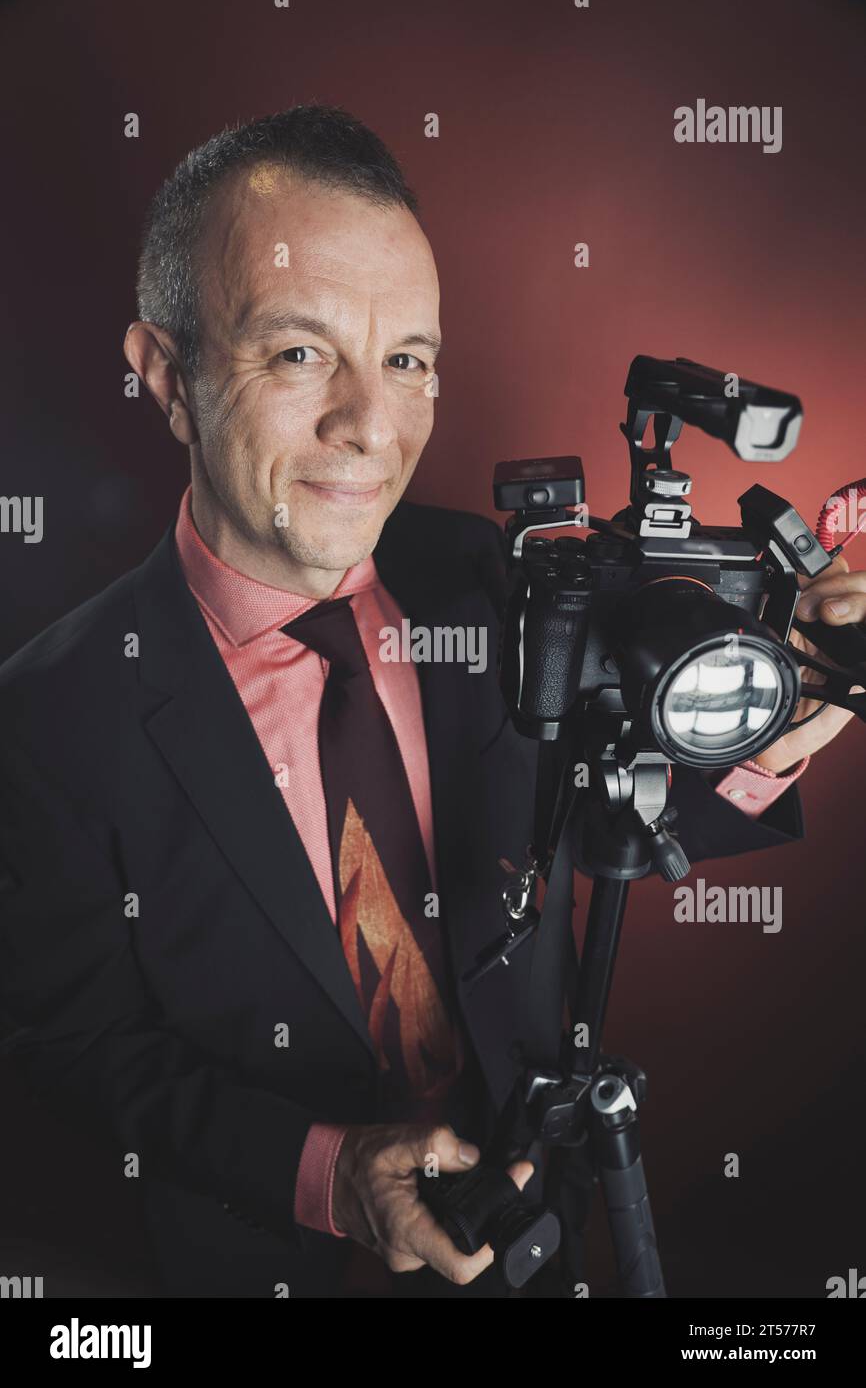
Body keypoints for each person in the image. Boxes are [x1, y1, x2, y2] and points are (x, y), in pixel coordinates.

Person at [1, 106, 863, 1299]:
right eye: (299, 353)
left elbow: (648, 801)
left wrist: (792, 714)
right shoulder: (47, 718)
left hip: (541, 1232)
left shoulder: (505, 578)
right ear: (166, 375)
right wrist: (328, 1172)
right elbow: (74, 1053)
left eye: (406, 359)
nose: (368, 427)